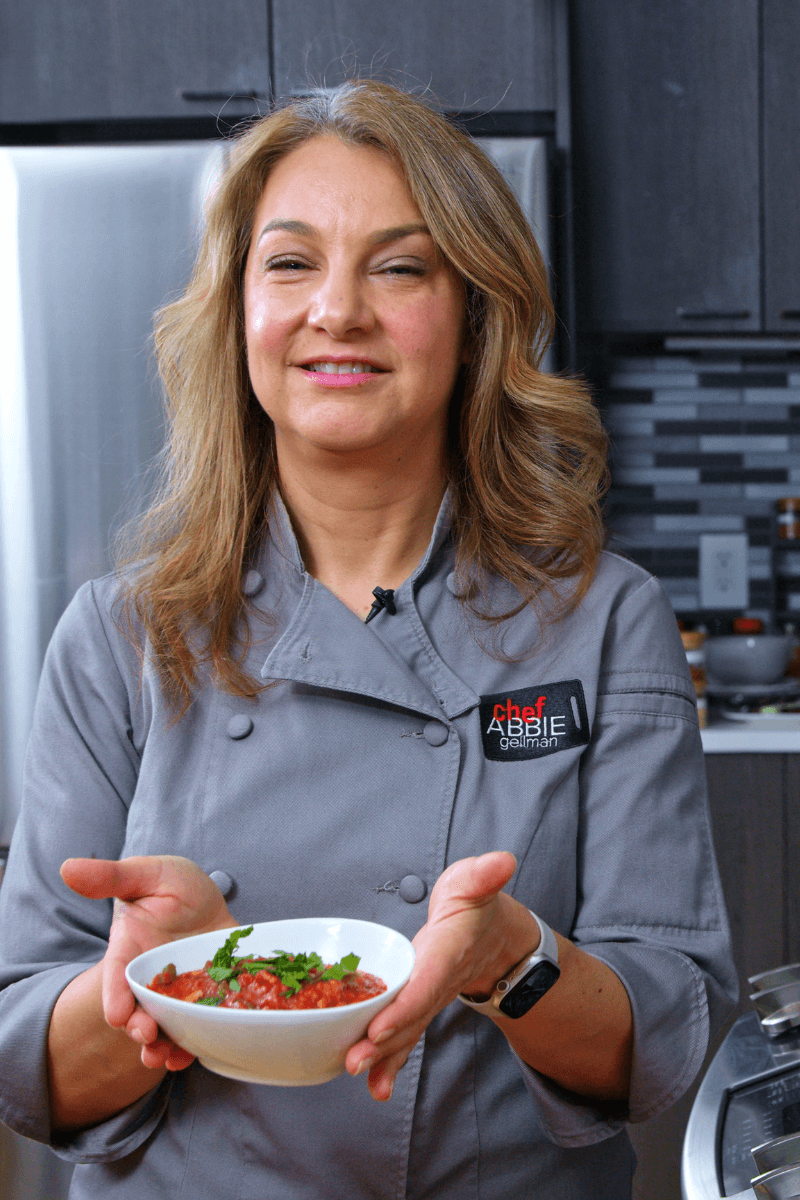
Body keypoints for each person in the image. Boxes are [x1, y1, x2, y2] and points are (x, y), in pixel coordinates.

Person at [0, 80, 736, 1199]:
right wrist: (165, 984)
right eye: (290, 263)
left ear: (475, 319)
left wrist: (511, 961)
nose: (336, 311)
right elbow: (27, 1056)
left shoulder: (600, 619)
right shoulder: (120, 635)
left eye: (399, 268)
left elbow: (659, 1041)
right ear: (237, 314)